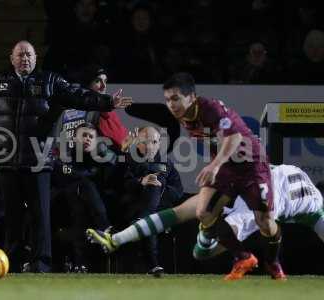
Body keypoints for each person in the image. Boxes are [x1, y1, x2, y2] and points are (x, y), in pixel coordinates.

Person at [0, 40, 132, 273]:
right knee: (12, 215)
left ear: (35, 59)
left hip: (39, 160)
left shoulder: (50, 80)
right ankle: (11, 263)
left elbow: (78, 94)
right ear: (11, 58)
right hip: (8, 161)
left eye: (30, 55)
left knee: (40, 216)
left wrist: (107, 102)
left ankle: (40, 265)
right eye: (21, 55)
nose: (26, 59)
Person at [87, 72, 284, 280]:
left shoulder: (211, 108)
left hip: (253, 166)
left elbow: (234, 138)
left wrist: (214, 165)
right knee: (203, 212)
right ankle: (243, 257)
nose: (171, 104)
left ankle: (273, 262)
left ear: (191, 97)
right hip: (227, 168)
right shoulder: (183, 117)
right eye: (167, 100)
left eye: (175, 98)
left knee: (264, 221)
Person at [193, 164, 324, 273]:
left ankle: (208, 233)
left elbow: (202, 252)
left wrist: (207, 232)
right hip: (268, 184)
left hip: (271, 184)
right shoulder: (314, 205)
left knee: (204, 250)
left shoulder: (313, 205)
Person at [117, 126, 183, 276]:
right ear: (137, 143)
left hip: (158, 208)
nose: (149, 147)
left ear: (159, 143)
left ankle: (152, 263)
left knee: (155, 188)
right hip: (133, 205)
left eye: (153, 142)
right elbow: (120, 184)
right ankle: (153, 265)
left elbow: (178, 192)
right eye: (144, 142)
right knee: (148, 217)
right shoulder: (128, 159)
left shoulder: (167, 163)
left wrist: (162, 188)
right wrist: (141, 181)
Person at [53, 122, 117, 272]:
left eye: (91, 137)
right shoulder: (65, 153)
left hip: (88, 205)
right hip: (62, 201)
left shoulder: (100, 154)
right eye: (84, 136)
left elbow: (114, 165)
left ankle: (80, 264)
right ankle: (105, 228)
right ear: (75, 138)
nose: (87, 139)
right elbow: (65, 175)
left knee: (81, 207)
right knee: (83, 185)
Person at [55, 64, 128, 152]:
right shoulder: (65, 108)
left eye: (105, 81)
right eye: (98, 81)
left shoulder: (104, 109)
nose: (104, 86)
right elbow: (122, 142)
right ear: (87, 83)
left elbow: (122, 141)